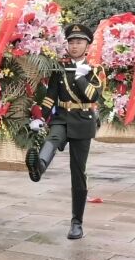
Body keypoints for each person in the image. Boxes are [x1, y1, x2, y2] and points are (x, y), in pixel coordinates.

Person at [25, 24, 104, 240]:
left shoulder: (95, 69)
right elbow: (51, 95)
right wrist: (40, 115)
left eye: (79, 42)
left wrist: (80, 76)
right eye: (71, 42)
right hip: (61, 118)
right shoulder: (59, 68)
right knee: (52, 138)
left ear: (87, 45)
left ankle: (76, 222)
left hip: (83, 120)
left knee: (78, 172)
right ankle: (38, 167)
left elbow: (92, 96)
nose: (74, 45)